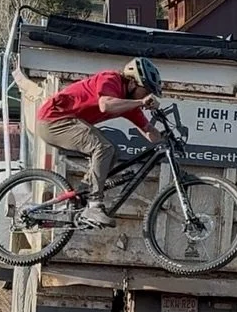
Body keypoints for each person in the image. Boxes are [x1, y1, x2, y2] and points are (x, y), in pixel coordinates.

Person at [36, 57, 163, 228]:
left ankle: (82, 194)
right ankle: (94, 205)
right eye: (146, 90)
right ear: (133, 82)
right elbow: (106, 105)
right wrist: (140, 102)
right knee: (102, 147)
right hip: (53, 120)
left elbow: (148, 129)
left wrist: (168, 143)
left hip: (65, 123)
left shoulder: (127, 104)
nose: (147, 96)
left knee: (112, 152)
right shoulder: (111, 79)